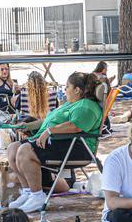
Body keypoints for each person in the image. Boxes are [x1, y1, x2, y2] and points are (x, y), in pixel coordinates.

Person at [6, 72, 105, 213]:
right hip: (62, 142)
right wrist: (28, 126)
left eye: (67, 87)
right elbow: (49, 120)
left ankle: (37, 195)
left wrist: (50, 131)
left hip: (77, 147)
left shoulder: (86, 106)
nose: (65, 90)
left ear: (77, 90)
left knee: (25, 151)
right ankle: (28, 192)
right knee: (13, 148)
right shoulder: (72, 104)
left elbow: (75, 126)